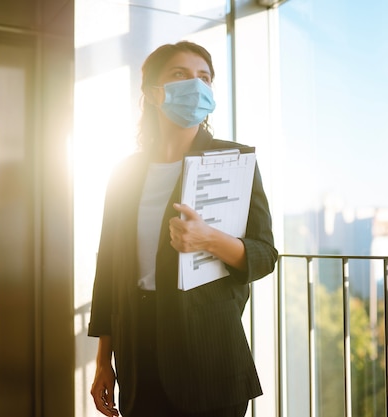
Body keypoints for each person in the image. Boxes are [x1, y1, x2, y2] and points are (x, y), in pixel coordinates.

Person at [88, 40, 278, 417]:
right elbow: (109, 270)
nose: (196, 84)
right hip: (139, 357)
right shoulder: (125, 173)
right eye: (181, 74)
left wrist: (210, 239)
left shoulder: (233, 160)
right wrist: (102, 361)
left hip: (208, 356)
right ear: (153, 92)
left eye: (204, 77)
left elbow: (265, 254)